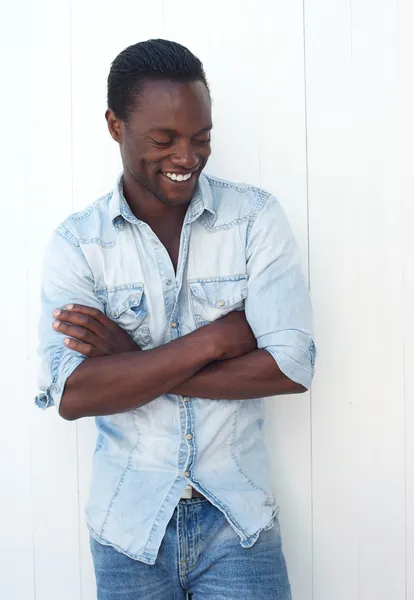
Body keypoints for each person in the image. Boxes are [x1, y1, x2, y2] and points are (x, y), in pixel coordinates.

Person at [36, 39, 315, 600]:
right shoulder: (78, 243)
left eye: (201, 137)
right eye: (164, 139)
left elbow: (290, 367)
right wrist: (215, 339)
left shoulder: (255, 220)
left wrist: (132, 366)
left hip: (238, 524)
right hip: (127, 530)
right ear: (116, 126)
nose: (186, 157)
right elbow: (72, 394)